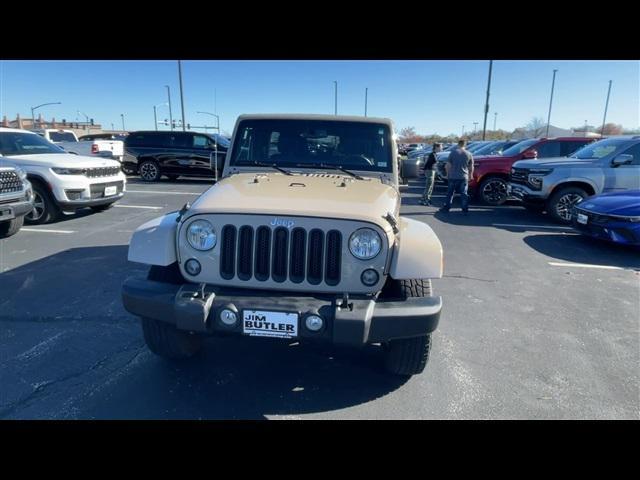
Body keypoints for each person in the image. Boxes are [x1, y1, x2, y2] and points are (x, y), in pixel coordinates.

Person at [440, 139, 473, 214]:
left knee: (450, 193)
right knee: (464, 193)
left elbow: (447, 165)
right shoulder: (469, 154)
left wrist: (447, 174)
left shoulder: (452, 153)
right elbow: (471, 166)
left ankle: (447, 207)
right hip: (464, 176)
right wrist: (471, 175)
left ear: (458, 144)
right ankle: (465, 209)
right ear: (465, 145)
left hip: (453, 176)